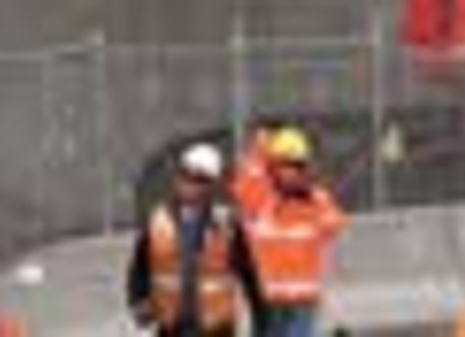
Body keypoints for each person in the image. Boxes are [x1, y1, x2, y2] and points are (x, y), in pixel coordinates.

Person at [126, 141, 265, 336]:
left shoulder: (226, 224)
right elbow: (140, 268)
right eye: (186, 176)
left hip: (216, 327)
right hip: (171, 325)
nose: (189, 185)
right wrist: (139, 304)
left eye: (199, 180)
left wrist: (262, 319)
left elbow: (249, 273)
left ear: (211, 186)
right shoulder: (158, 221)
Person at [238, 126, 348, 336]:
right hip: (273, 301)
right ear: (273, 167)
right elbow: (244, 184)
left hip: (304, 302)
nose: (293, 172)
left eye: (298, 166)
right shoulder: (261, 200)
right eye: (286, 165)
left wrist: (308, 200)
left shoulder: (316, 199)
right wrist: (260, 150)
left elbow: (334, 224)